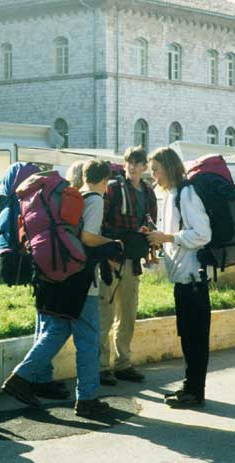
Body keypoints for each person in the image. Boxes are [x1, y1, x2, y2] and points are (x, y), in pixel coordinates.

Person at [2, 160, 121, 417]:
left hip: (61, 276)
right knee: (88, 340)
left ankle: (22, 378)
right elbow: (88, 238)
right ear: (105, 180)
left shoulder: (75, 197)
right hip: (82, 280)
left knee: (58, 329)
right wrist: (114, 243)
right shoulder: (96, 201)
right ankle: (86, 399)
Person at [145, 148, 212, 408]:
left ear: (169, 168)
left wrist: (168, 238)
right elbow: (175, 236)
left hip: (194, 280)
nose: (154, 175)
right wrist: (158, 237)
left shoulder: (187, 194)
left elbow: (203, 234)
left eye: (156, 170)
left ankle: (195, 392)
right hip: (183, 280)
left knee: (195, 339)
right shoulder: (172, 195)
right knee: (187, 337)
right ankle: (190, 386)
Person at [99, 146, 158, 386]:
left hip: (133, 261)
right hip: (112, 259)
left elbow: (151, 223)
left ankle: (122, 364)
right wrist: (107, 253)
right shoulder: (112, 189)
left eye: (138, 163)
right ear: (124, 164)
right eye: (129, 162)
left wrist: (150, 247)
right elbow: (101, 223)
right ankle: (101, 367)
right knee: (105, 314)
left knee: (128, 315)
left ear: (144, 167)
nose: (133, 167)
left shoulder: (148, 192)